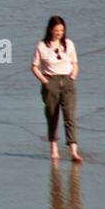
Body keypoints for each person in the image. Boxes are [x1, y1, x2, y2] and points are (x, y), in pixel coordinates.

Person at [30, 16, 80, 163]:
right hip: (51, 82)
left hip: (68, 81)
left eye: (62, 30)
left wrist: (73, 75)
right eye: (57, 30)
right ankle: (54, 148)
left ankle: (73, 150)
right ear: (50, 29)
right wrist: (45, 81)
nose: (59, 33)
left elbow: (75, 63)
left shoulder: (69, 44)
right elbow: (34, 66)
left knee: (70, 116)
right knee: (52, 116)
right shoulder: (42, 46)